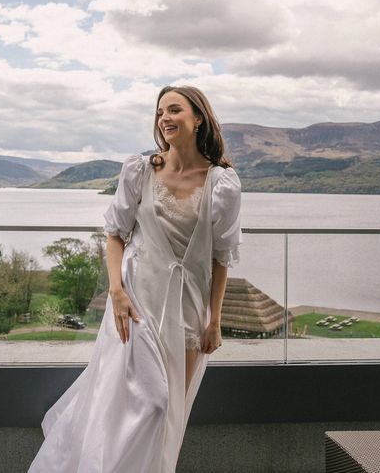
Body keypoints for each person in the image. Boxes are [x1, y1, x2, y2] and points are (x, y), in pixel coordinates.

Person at [29, 85, 242, 473]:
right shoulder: (142, 170)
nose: (164, 118)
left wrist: (215, 320)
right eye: (160, 112)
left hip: (187, 311)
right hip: (136, 304)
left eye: (174, 109)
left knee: (168, 415)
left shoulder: (222, 184)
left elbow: (221, 257)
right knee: (151, 403)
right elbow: (115, 234)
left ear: (198, 119)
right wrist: (117, 293)